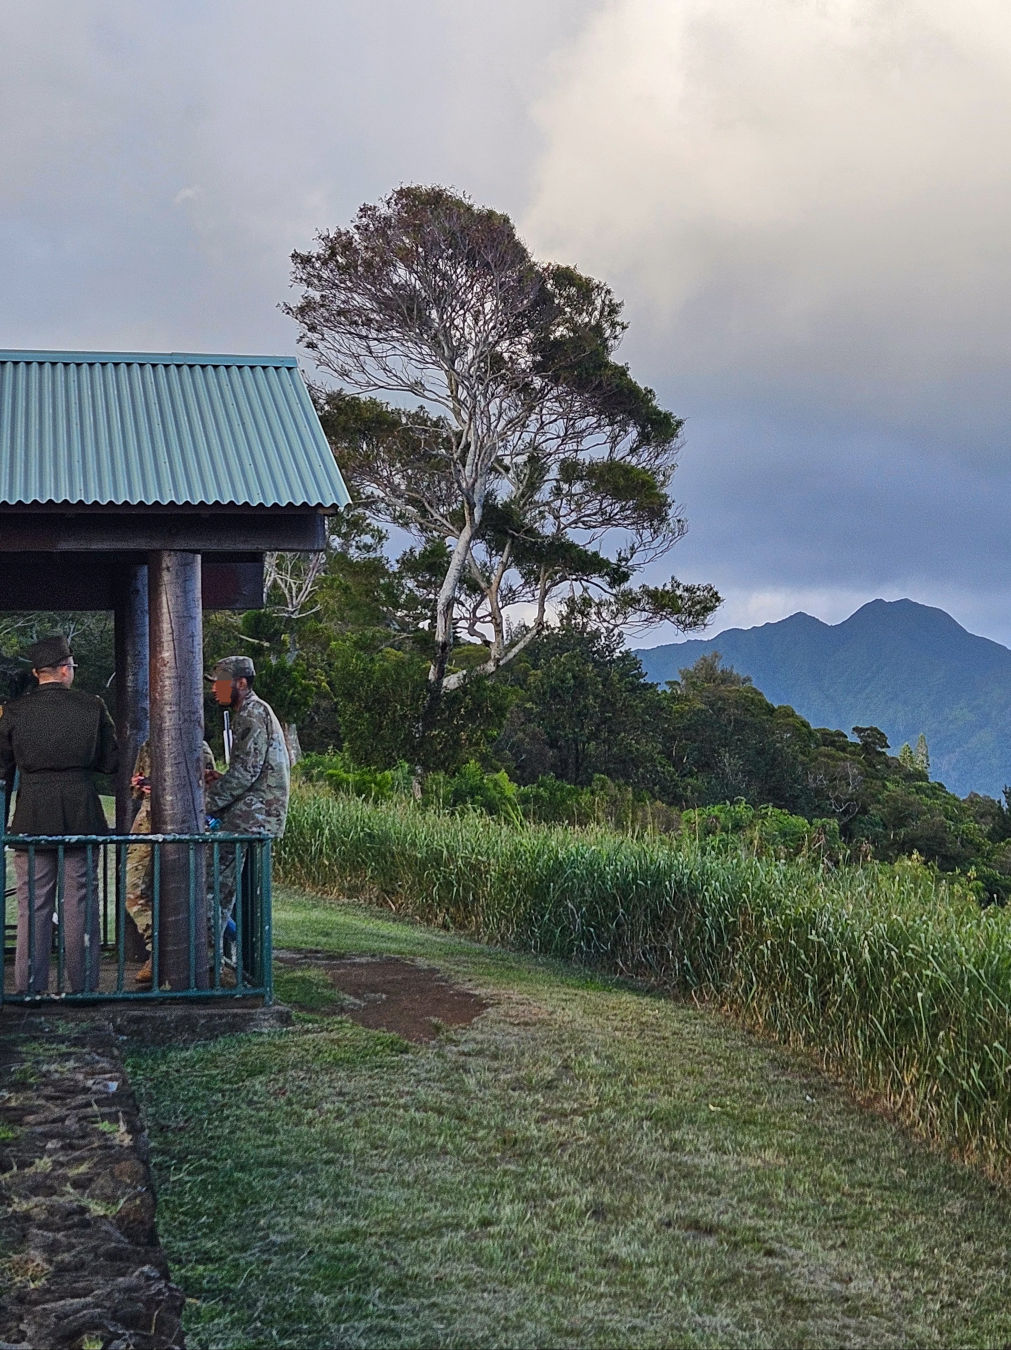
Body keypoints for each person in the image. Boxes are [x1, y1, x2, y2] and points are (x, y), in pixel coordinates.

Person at [0, 635, 118, 994]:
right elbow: (110, 761)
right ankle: (82, 987)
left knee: (31, 904)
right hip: (80, 810)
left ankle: (29, 987)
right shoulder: (91, 706)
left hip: (32, 814)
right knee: (79, 901)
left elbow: (3, 767)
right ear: (65, 670)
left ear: (38, 673)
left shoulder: (15, 712)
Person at [205, 655, 290, 954]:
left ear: (241, 683)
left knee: (208, 883)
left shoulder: (252, 714)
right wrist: (221, 779)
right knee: (219, 886)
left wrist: (206, 803)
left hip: (253, 817)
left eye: (221, 683)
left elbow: (247, 772)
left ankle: (209, 961)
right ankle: (225, 954)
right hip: (254, 813)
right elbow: (250, 769)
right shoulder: (253, 712)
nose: (216, 690)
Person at [126, 737, 217, 989]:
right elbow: (134, 787)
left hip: (185, 821)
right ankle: (158, 948)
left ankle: (196, 955)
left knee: (188, 891)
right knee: (133, 890)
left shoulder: (199, 746)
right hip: (146, 822)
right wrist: (141, 786)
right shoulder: (147, 746)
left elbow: (206, 788)